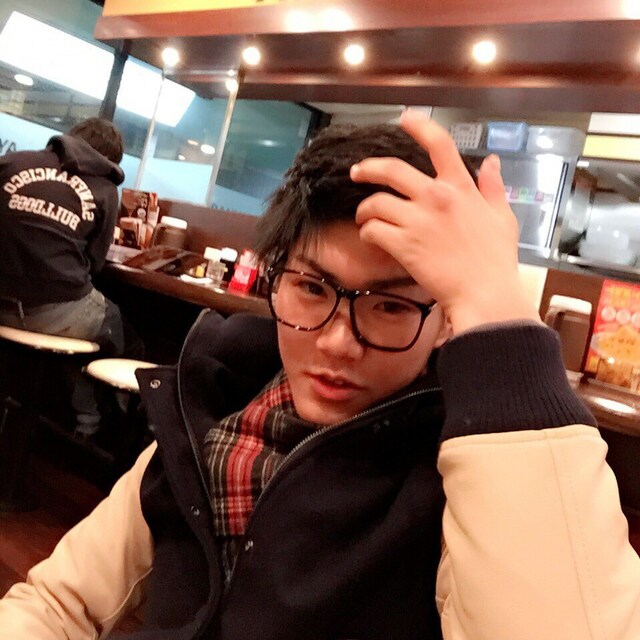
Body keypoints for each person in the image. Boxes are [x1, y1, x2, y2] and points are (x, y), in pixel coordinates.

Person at [1, 111, 639, 639]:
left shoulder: (460, 490)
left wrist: (499, 315)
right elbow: (58, 604)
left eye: (390, 306)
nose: (337, 342)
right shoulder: (212, 412)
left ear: (447, 320)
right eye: (311, 288)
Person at [0, 117, 127, 435]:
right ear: (109, 159)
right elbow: (95, 263)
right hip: (56, 313)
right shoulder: (105, 189)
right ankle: (96, 428)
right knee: (115, 328)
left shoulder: (13, 161)